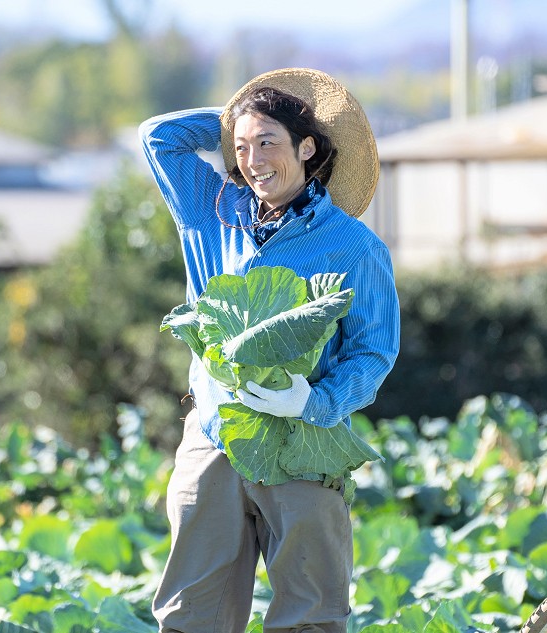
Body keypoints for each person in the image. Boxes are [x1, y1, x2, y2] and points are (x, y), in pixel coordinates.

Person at [139, 67, 400, 633]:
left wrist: (314, 401)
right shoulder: (208, 213)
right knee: (190, 616)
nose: (254, 160)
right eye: (242, 147)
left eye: (269, 143)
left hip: (304, 443)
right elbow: (158, 136)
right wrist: (242, 114)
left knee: (310, 615)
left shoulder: (356, 247)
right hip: (213, 436)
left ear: (308, 148)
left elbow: (373, 353)